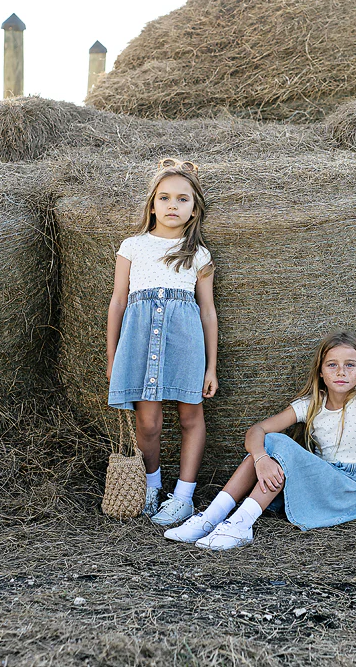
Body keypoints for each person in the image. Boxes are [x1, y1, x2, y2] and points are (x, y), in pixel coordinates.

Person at [165, 331, 356, 550]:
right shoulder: (311, 404)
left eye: (349, 365)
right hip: (323, 480)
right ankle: (211, 517)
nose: (341, 372)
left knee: (276, 442)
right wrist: (261, 459)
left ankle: (240, 524)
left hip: (351, 489)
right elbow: (256, 430)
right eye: (332, 365)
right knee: (265, 448)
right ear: (321, 372)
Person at [107, 158, 218, 526]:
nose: (173, 205)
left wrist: (211, 367)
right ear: (152, 205)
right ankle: (151, 487)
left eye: (183, 199)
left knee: (191, 417)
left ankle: (183, 497)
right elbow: (118, 303)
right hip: (140, 342)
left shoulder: (198, 254)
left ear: (194, 209)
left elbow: (207, 312)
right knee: (149, 423)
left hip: (185, 343)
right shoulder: (132, 246)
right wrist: (112, 357)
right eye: (165, 197)